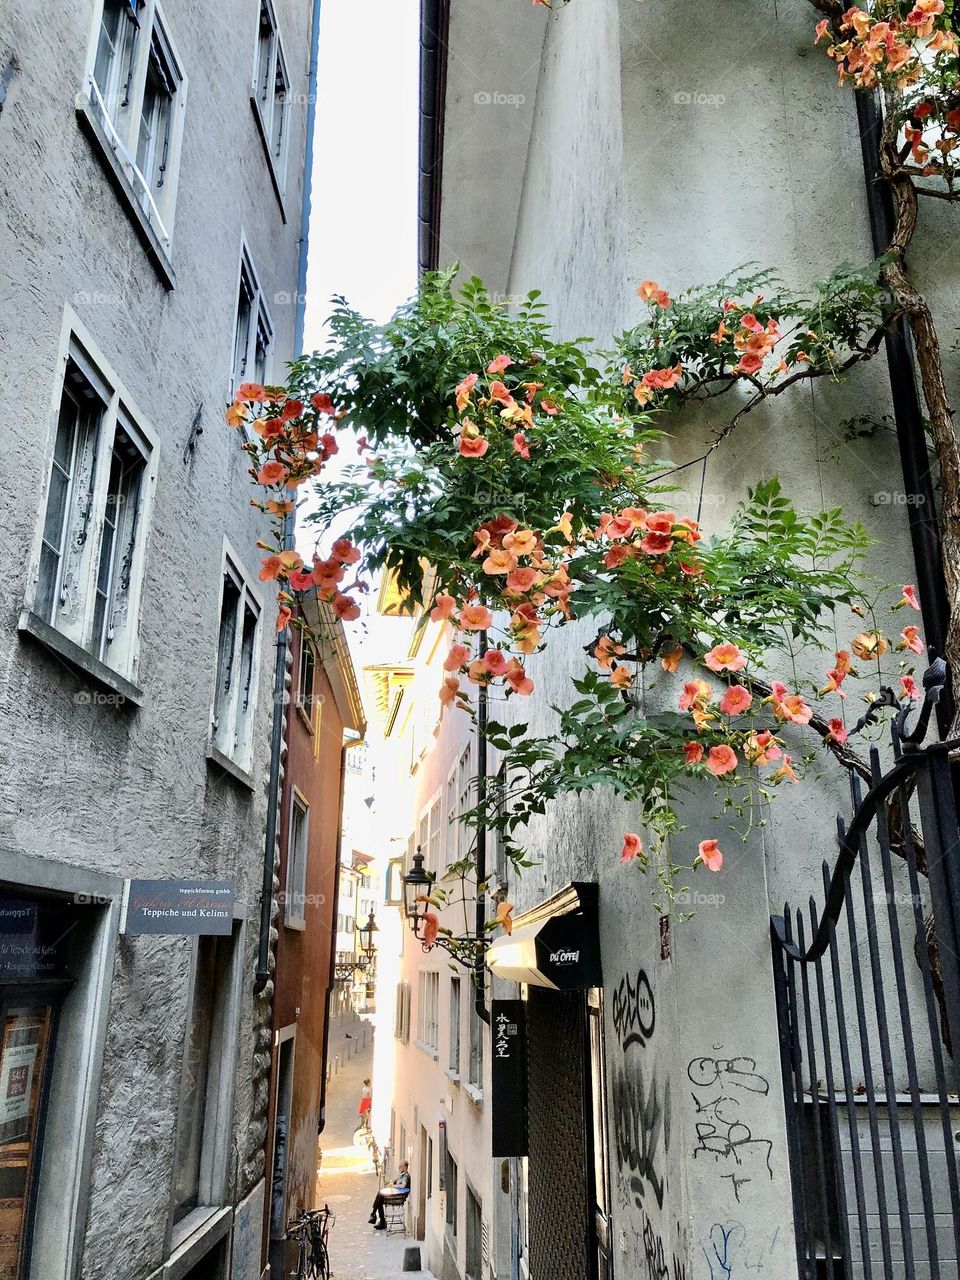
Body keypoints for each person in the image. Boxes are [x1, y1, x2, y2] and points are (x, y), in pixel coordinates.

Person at [369, 1161, 411, 1229]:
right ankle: (377, 1218)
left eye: (400, 1166)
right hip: (396, 1194)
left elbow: (403, 1185)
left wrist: (394, 1186)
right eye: (399, 1166)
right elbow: (396, 1182)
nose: (398, 1167)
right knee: (379, 1197)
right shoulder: (401, 1175)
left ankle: (376, 1217)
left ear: (405, 1167)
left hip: (399, 1196)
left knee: (380, 1195)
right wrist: (391, 1183)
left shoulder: (405, 1176)